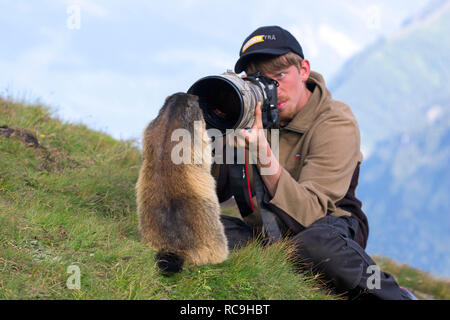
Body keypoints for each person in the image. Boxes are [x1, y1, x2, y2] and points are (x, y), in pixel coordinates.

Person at [212, 25, 416, 300]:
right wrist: (216, 130)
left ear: (304, 70)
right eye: (258, 80)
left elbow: (311, 214)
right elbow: (215, 192)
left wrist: (263, 154)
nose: (272, 89)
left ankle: (396, 294)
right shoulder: (249, 118)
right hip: (267, 228)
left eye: (280, 75)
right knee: (196, 228)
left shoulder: (335, 121)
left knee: (315, 246)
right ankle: (295, 273)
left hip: (330, 227)